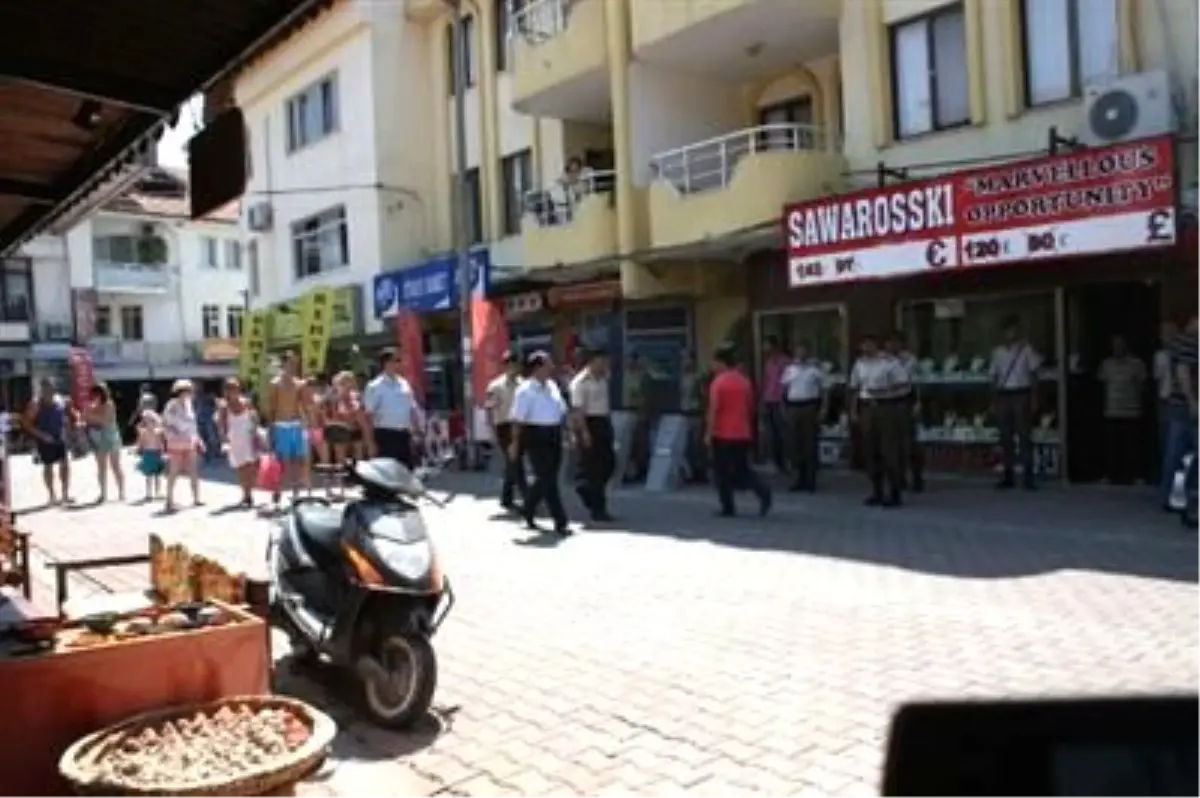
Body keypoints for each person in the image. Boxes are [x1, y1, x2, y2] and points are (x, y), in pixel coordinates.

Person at [509, 351, 571, 535]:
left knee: (548, 478)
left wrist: (567, 433)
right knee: (547, 478)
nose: (552, 367)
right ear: (537, 368)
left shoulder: (552, 386)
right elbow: (518, 419)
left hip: (554, 433)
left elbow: (561, 411)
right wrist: (514, 443)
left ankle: (528, 508)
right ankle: (561, 521)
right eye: (548, 364)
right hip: (535, 435)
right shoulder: (525, 390)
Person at [706, 345, 771, 518]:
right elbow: (750, 407)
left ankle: (728, 506)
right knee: (742, 469)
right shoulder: (744, 381)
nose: (712, 366)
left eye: (714, 363)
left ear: (721, 363)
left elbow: (714, 409)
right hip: (742, 432)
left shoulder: (718, 383)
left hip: (722, 433)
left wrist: (708, 433)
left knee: (722, 472)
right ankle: (762, 490)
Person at [849, 333, 908, 507]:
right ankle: (877, 491)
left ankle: (895, 492)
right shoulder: (859, 364)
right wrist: (854, 411)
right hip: (867, 407)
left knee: (889, 450)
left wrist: (885, 390)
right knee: (871, 450)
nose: (866, 348)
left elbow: (904, 385)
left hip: (886, 406)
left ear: (876, 346)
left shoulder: (889, 363)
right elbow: (855, 388)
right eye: (863, 345)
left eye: (869, 345)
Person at [990, 316, 1042, 490]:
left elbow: (1034, 373)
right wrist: (994, 399)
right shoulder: (997, 352)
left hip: (1021, 393)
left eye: (1012, 330)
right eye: (1007, 330)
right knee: (1006, 437)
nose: (1009, 333)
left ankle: (1028, 476)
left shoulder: (1026, 350)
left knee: (1024, 436)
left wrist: (1034, 398)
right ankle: (1008, 474)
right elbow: (994, 376)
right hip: (1004, 394)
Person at [570, 346, 616, 522]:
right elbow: (578, 411)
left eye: (606, 361)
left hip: (603, 421)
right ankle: (598, 508)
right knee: (593, 469)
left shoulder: (604, 377)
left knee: (609, 464)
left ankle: (587, 489)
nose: (605, 364)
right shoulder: (579, 383)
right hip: (588, 423)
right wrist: (584, 432)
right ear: (592, 361)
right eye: (601, 361)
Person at [1162, 313, 1200, 510]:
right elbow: (1183, 371)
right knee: (1186, 454)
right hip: (1187, 406)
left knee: (1175, 455)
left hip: (1177, 405)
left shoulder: (1177, 344)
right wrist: (1192, 401)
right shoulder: (1190, 342)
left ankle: (1171, 496)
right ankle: (1178, 495)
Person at [1097, 334, 1147, 485]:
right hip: (1112, 410)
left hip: (1132, 410)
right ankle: (1110, 475)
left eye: (1120, 345)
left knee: (1132, 446)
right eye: (1115, 345)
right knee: (1112, 446)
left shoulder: (1136, 364)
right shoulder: (1106, 364)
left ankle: (1135, 475)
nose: (1118, 348)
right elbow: (1101, 383)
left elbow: (1143, 385)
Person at [264, 351, 310, 510]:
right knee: (281, 463)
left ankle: (296, 495)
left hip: (296, 425)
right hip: (280, 426)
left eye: (295, 363)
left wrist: (306, 424)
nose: (293, 366)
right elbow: (271, 408)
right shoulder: (275, 383)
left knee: (297, 460)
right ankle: (276, 495)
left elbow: (304, 405)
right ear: (283, 364)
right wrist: (270, 431)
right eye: (290, 362)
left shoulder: (299, 383)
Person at [364, 348, 423, 469]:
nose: (399, 364)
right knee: (388, 473)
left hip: (403, 434)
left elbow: (412, 408)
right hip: (385, 435)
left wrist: (416, 431)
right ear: (386, 363)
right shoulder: (374, 386)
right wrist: (370, 442)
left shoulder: (404, 383)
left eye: (399, 360)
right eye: (396, 360)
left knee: (406, 470)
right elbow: (368, 416)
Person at [780, 341, 826, 492]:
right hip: (794, 406)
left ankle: (810, 479)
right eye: (798, 351)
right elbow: (784, 389)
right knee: (795, 444)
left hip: (809, 406)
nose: (801, 354)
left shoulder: (815, 370)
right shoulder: (790, 370)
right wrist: (784, 408)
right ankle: (797, 478)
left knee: (809, 444)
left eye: (804, 351)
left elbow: (824, 391)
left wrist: (823, 409)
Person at [485, 350, 526, 512]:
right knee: (516, 462)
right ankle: (527, 495)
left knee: (513, 462)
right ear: (505, 366)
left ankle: (506, 496)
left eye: (516, 365)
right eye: (510, 364)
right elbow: (489, 409)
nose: (514, 368)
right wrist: (492, 431)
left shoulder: (523, 384)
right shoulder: (495, 386)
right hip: (504, 426)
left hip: (520, 426)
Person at [885, 332, 925, 493]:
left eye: (895, 342)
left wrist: (918, 402)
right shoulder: (883, 361)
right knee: (892, 444)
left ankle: (917, 477)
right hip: (888, 402)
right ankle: (898, 477)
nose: (892, 346)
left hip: (906, 401)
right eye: (889, 342)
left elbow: (917, 383)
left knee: (910, 442)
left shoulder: (910, 360)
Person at [21, 378, 70, 505]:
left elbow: (66, 415)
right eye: (45, 387)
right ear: (42, 389)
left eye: (51, 387)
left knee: (65, 465)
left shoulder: (60, 400)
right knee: (48, 466)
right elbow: (26, 423)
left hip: (60, 437)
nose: (48, 390)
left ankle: (65, 494)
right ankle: (52, 495)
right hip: (45, 439)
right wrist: (41, 435)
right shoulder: (36, 403)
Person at [324, 371, 368, 499]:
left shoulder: (356, 396)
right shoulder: (334, 398)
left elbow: (361, 413)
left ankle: (361, 484)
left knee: (359, 459)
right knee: (340, 459)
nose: (349, 384)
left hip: (355, 429)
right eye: (346, 381)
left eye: (351, 381)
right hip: (340, 429)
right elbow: (327, 418)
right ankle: (340, 488)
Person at [162, 379, 203, 511]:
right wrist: (173, 431)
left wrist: (198, 438)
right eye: (187, 390)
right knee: (174, 471)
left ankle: (196, 498)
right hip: (176, 442)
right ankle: (169, 499)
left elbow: (193, 424)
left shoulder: (189, 404)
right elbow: (167, 422)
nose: (189, 393)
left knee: (193, 470)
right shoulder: (172, 405)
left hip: (189, 441)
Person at [219, 378, 260, 508]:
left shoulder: (247, 403)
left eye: (235, 388)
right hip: (235, 440)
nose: (233, 391)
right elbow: (222, 425)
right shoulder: (224, 407)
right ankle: (246, 495)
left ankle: (249, 492)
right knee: (242, 468)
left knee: (251, 467)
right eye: (230, 388)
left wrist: (255, 433)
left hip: (248, 438)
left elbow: (255, 419)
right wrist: (224, 441)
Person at [84, 382, 126, 502]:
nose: (96, 397)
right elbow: (85, 417)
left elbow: (105, 420)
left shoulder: (109, 404)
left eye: (98, 394)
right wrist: (90, 414)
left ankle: (121, 492)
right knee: (101, 467)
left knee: (115, 466)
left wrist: (91, 415)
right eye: (94, 394)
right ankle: (103, 493)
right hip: (99, 438)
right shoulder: (92, 405)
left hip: (111, 437)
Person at [1154, 320, 1181, 480]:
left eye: (1171, 333)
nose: (1167, 337)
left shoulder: (1183, 354)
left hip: (1180, 401)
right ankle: (1165, 477)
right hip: (1165, 399)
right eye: (1164, 334)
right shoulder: (1160, 356)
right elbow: (1158, 379)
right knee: (1165, 438)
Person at [760, 336, 788, 472]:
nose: (765, 348)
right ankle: (775, 461)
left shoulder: (784, 362)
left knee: (781, 431)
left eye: (767, 345)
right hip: (769, 400)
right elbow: (766, 381)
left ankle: (785, 460)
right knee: (771, 432)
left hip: (780, 400)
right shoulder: (768, 363)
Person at [135, 410, 166, 500]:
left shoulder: (158, 432)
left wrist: (163, 453)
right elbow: (140, 442)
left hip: (157, 453)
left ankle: (158, 492)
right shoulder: (143, 432)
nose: (148, 423)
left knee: (158, 475)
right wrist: (138, 448)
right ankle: (149, 493)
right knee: (148, 475)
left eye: (151, 421)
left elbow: (161, 443)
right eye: (146, 421)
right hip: (147, 454)